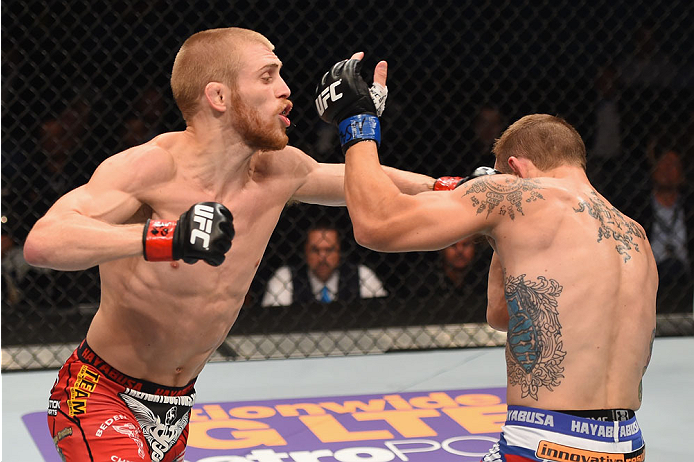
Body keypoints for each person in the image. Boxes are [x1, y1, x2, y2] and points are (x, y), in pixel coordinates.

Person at [23, 28, 446, 462]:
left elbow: (364, 184)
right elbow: (44, 242)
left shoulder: (280, 170)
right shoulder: (153, 167)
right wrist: (166, 237)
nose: (285, 91)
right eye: (267, 77)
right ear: (218, 97)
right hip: (100, 394)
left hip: (176, 407)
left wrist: (451, 188)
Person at [315, 56, 657, 461]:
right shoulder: (634, 233)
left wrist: (358, 123)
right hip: (628, 443)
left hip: (546, 441)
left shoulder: (517, 196)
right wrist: (499, 237)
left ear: (514, 169)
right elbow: (501, 313)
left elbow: (376, 224)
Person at [261, 219, 387, 306]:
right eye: (315, 250)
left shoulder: (361, 275)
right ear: (305, 251)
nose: (322, 257)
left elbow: (381, 315)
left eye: (329, 250)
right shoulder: (286, 277)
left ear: (339, 251)